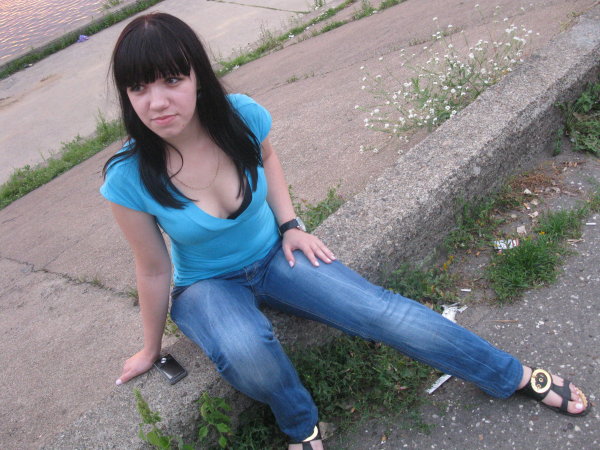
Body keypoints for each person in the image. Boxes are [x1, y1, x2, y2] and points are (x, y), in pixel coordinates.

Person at [101, 12, 590, 449]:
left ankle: (512, 374)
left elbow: (267, 157)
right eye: (139, 88)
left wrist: (290, 224)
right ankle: (302, 427)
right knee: (246, 349)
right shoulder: (128, 176)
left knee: (381, 311)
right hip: (207, 285)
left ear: (198, 78)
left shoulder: (240, 117)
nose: (157, 102)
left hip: (275, 255)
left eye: (172, 79)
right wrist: (150, 348)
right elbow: (153, 268)